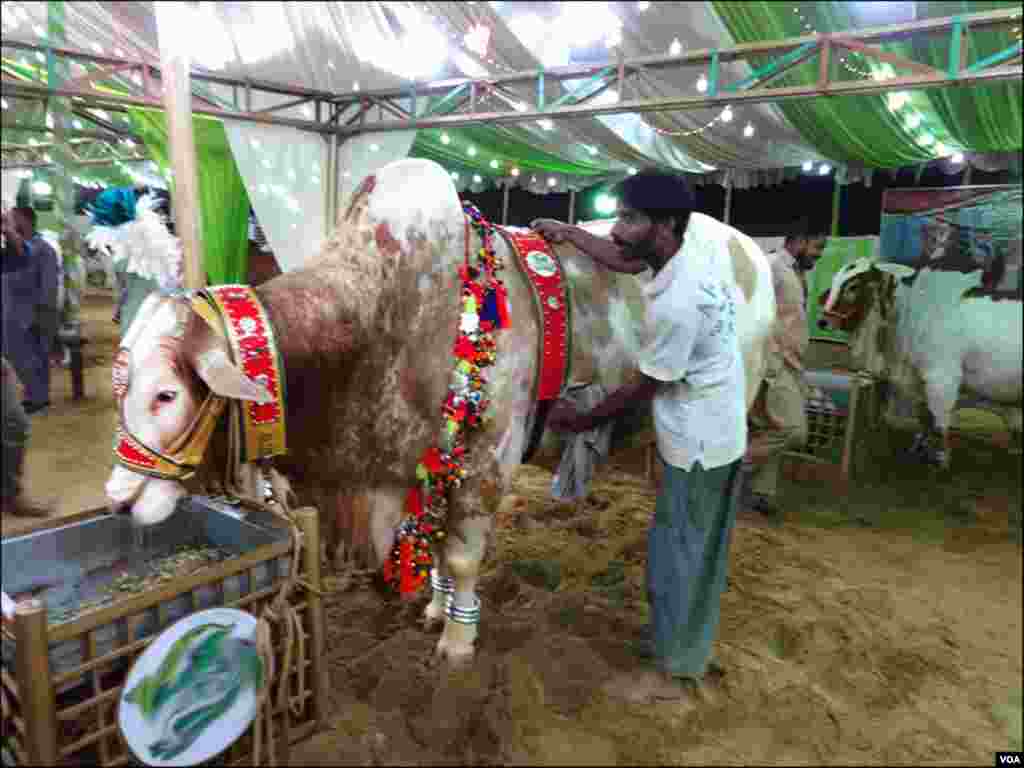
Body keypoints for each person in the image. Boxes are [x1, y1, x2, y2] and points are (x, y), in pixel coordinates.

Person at [531, 169, 746, 704]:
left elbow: (640, 390)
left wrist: (576, 420)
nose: (618, 228)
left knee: (676, 556)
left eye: (629, 218)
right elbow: (623, 258)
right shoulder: (683, 254)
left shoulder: (680, 301)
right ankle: (690, 649)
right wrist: (568, 232)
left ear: (665, 224)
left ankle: (673, 676)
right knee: (698, 552)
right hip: (719, 431)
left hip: (698, 443)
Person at [742, 226, 825, 518]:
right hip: (772, 362)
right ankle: (730, 470)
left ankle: (763, 492)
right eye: (817, 247)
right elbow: (748, 308)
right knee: (792, 430)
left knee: (770, 427)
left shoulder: (795, 272)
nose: (819, 255)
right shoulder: (770, 266)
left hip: (791, 362)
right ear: (799, 241)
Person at [1, 211, 53, 517]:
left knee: (14, 422)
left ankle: (10, 495)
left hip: (16, 327)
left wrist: (8, 232)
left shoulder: (33, 248)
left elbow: (19, 260)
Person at [10, 206, 60, 414]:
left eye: (14, 219)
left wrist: (41, 312)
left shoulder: (44, 249)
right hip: (17, 312)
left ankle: (40, 398)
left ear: (27, 221)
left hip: (37, 312)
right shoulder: (18, 248)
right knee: (22, 357)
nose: (11, 224)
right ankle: (33, 395)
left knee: (37, 356)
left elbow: (49, 285)